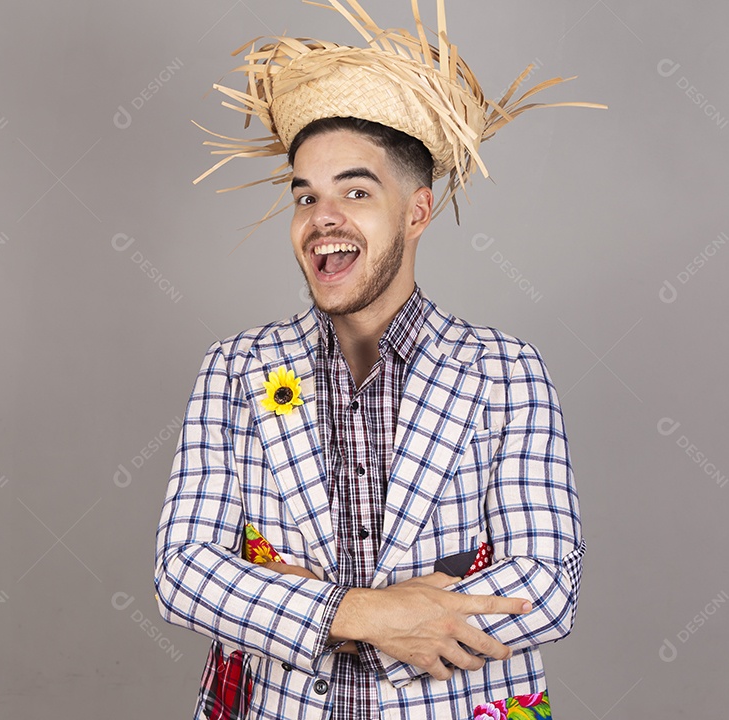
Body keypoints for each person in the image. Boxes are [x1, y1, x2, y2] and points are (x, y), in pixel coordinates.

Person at [155, 1, 600, 717]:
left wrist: (309, 609)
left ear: (417, 212)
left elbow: (547, 586)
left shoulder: (506, 372)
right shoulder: (234, 369)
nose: (322, 218)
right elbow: (184, 573)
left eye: (356, 191)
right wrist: (365, 614)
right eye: (306, 196)